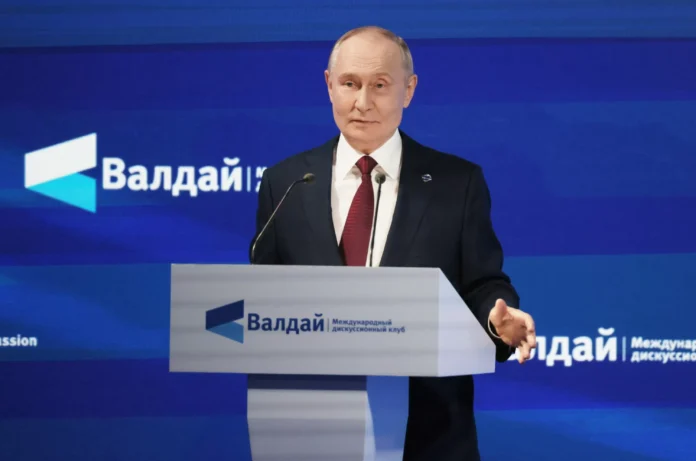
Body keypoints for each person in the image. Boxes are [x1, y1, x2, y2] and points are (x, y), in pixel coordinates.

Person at [250, 25, 537, 461]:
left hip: (430, 435)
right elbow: (262, 298)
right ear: (329, 85)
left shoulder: (457, 183)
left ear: (409, 90)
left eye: (380, 85)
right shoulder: (285, 182)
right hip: (310, 429)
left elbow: (482, 283)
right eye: (350, 84)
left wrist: (499, 320)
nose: (363, 102)